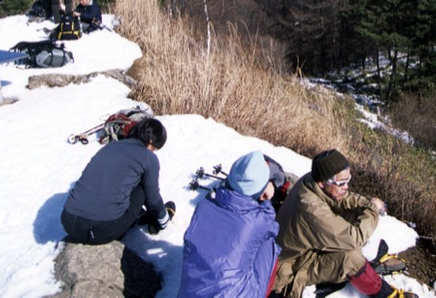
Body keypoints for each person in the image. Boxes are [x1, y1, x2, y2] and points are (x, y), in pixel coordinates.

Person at [272, 149, 415, 298]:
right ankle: (387, 295)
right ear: (322, 183)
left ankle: (368, 262)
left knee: (357, 214)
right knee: (351, 258)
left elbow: (343, 198)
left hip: (307, 248)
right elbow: (353, 239)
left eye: (348, 180)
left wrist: (367, 204)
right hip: (295, 267)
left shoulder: (312, 179)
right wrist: (373, 210)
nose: (346, 187)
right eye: (341, 183)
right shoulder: (311, 209)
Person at [179, 151, 281, 297]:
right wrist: (267, 199)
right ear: (260, 191)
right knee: (268, 244)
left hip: (189, 293)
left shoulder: (204, 205)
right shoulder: (257, 221)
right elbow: (272, 226)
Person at [61, 117, 175, 245]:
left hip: (68, 221)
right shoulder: (148, 157)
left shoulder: (111, 146)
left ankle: (132, 214)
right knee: (142, 189)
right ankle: (142, 218)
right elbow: (153, 199)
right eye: (156, 147)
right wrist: (163, 220)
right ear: (150, 142)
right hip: (100, 230)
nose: (154, 151)